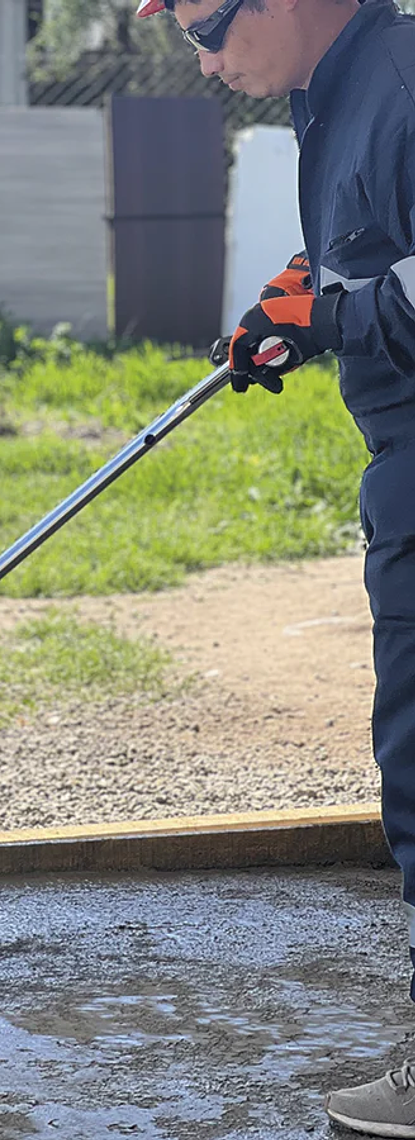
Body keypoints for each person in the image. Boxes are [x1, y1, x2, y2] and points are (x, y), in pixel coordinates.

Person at [136, 0, 415, 1134]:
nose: (201, 56)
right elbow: (373, 243)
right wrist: (292, 302)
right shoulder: (337, 89)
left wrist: (331, 320)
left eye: (207, 26)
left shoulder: (397, 84)